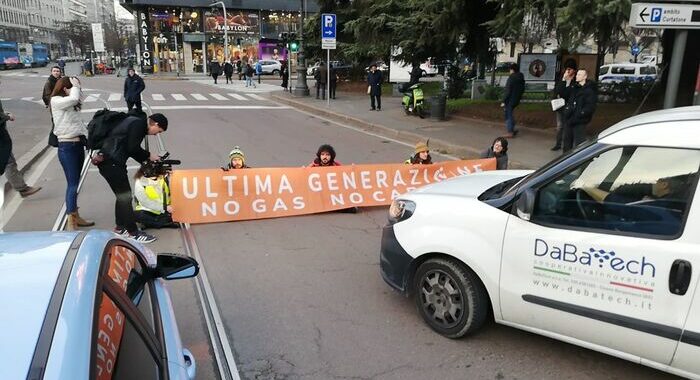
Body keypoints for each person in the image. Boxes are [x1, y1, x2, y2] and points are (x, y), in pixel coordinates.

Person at [96, 113, 168, 243]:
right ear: (155, 124)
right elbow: (132, 148)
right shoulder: (139, 125)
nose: (156, 134)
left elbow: (129, 147)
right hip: (112, 163)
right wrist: (148, 155)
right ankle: (133, 233)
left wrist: (145, 160)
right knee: (125, 197)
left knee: (122, 196)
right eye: (158, 131)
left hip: (109, 162)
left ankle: (120, 227)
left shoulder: (133, 121)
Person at [50, 76, 94, 230]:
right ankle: (71, 220)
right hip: (66, 147)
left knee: (75, 182)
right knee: (72, 184)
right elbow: (75, 98)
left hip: (77, 145)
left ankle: (75, 214)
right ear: (65, 88)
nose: (77, 89)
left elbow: (77, 105)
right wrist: (75, 87)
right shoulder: (56, 100)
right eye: (74, 86)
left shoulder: (70, 103)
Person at [562, 69, 597, 153]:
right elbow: (563, 94)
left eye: (580, 75)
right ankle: (565, 160)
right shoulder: (574, 88)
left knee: (579, 143)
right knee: (567, 143)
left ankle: (580, 160)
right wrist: (565, 80)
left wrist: (580, 113)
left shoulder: (589, 91)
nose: (577, 76)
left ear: (585, 77)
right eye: (577, 74)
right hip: (570, 119)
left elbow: (590, 106)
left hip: (580, 120)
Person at [133, 165, 178, 229]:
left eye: (157, 178)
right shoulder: (139, 183)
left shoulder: (164, 178)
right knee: (135, 215)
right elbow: (145, 202)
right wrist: (163, 207)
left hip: (166, 210)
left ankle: (157, 222)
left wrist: (173, 176)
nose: (156, 180)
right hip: (148, 210)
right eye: (153, 179)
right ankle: (163, 223)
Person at [551, 60, 577, 151]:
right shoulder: (562, 78)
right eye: (567, 69)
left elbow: (568, 93)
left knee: (567, 126)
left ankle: (568, 144)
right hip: (560, 106)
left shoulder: (575, 80)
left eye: (570, 69)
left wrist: (568, 83)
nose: (568, 71)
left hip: (569, 106)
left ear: (574, 70)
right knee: (560, 126)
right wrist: (563, 80)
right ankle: (558, 143)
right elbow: (558, 91)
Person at [501, 63, 524, 138]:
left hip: (510, 99)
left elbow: (508, 90)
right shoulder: (521, 77)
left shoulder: (511, 78)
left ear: (512, 70)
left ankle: (510, 131)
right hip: (516, 99)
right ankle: (512, 128)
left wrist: (503, 100)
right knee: (510, 113)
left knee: (508, 115)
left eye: (510, 70)